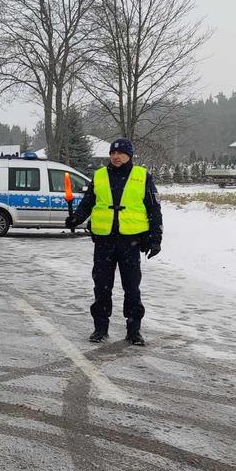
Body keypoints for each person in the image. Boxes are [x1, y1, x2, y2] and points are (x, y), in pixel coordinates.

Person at [66, 138, 163, 345]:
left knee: (131, 288)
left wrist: (156, 238)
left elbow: (154, 209)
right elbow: (88, 202)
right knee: (101, 286)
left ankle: (134, 330)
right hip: (104, 241)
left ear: (129, 156)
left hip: (131, 242)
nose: (116, 157)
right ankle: (100, 329)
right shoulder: (100, 176)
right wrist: (76, 217)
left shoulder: (142, 176)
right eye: (113, 153)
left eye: (121, 153)